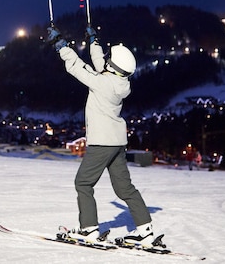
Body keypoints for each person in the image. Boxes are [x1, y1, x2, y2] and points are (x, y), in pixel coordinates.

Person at [47, 25, 156, 247]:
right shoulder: (119, 82)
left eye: (109, 57)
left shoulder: (103, 83)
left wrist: (61, 46)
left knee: (83, 183)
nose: (106, 59)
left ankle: (89, 229)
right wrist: (93, 42)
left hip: (102, 143)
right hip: (117, 143)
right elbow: (101, 65)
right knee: (125, 189)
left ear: (113, 66)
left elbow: (78, 67)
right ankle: (146, 232)